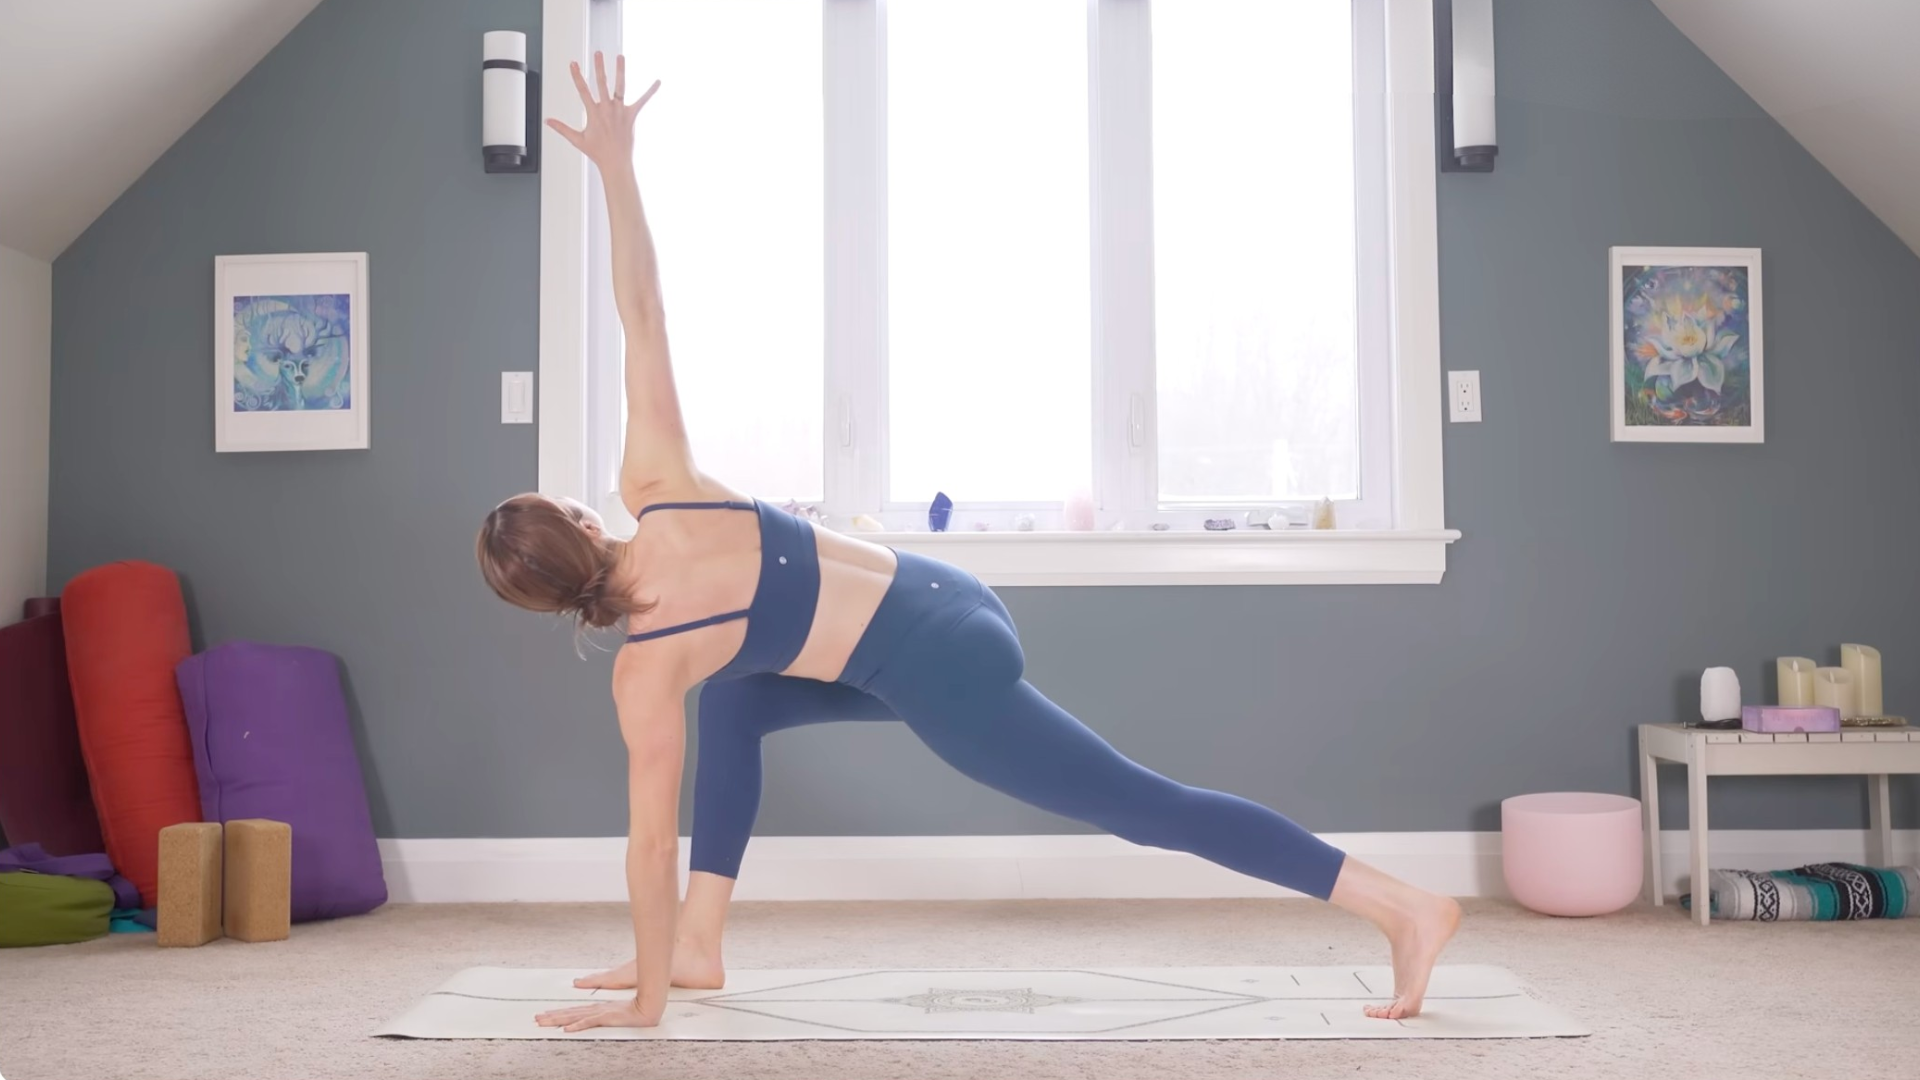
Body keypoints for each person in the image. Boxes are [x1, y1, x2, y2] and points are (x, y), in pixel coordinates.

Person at [477, 54, 1460, 1034]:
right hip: (947, 597)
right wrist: (615, 165)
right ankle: (697, 949)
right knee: (735, 706)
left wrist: (640, 1009)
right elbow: (641, 310)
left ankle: (1403, 906)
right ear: (581, 519)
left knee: (1140, 805)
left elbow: (648, 848)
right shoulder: (657, 485)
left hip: (937, 668)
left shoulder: (647, 672)